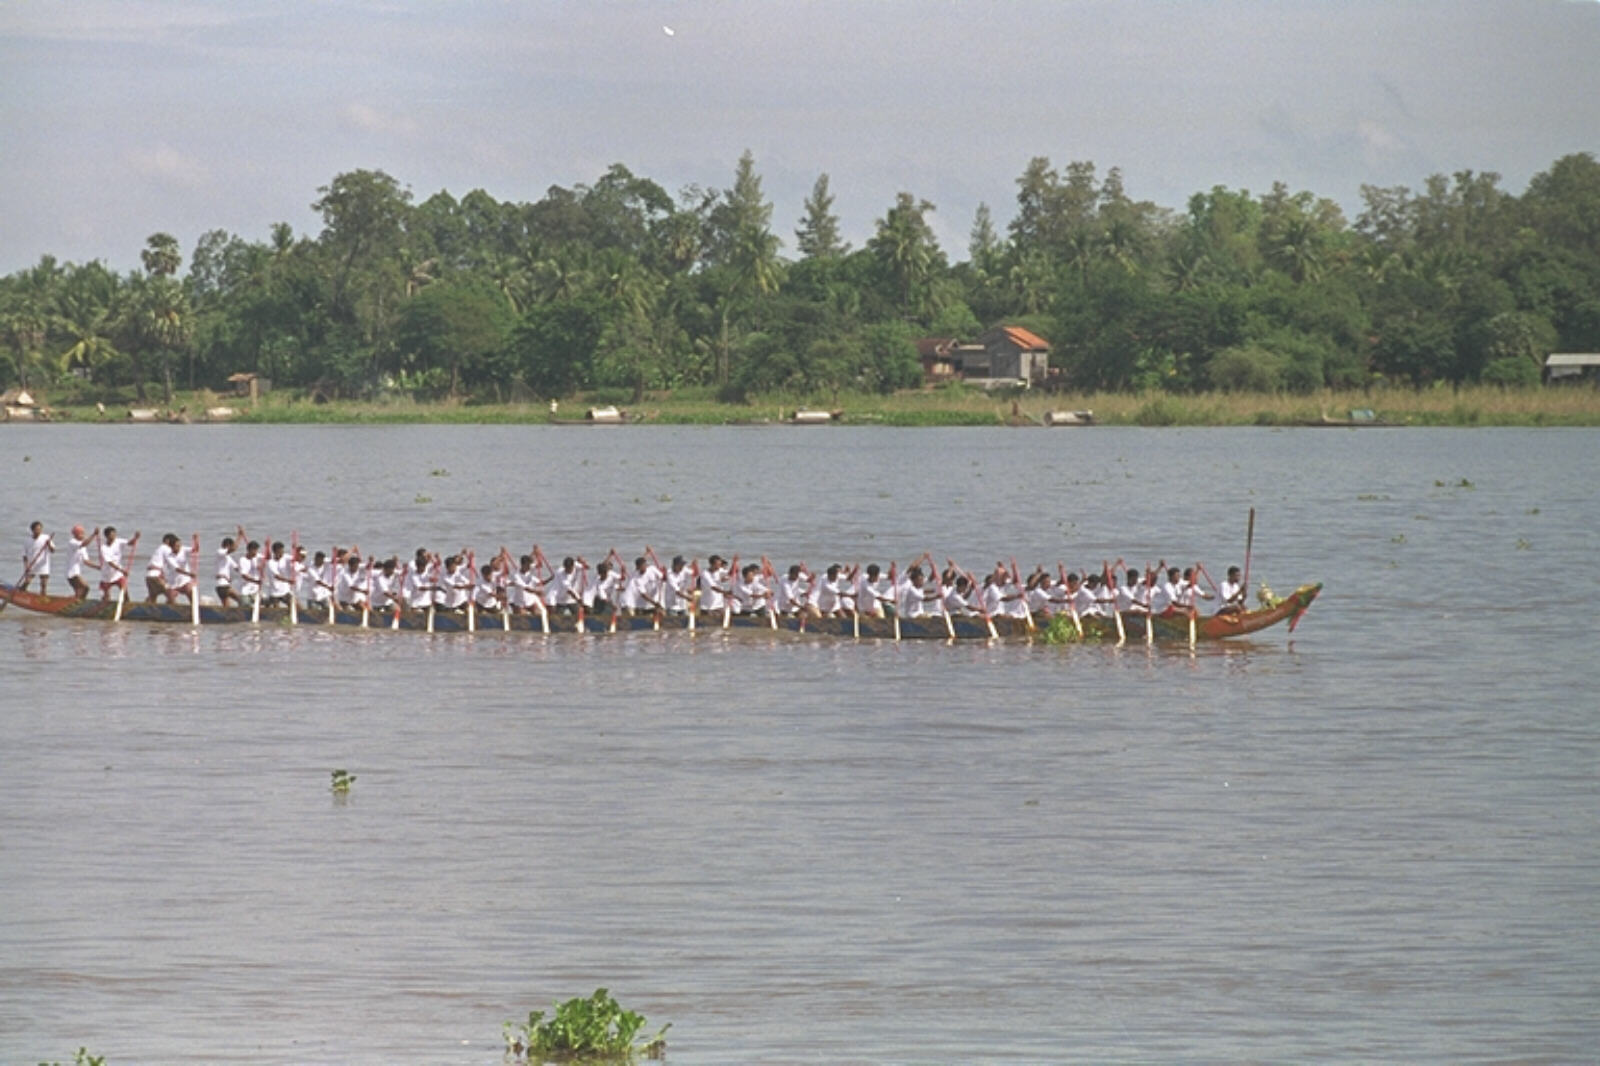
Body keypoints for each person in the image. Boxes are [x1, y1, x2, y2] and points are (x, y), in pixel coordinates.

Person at [98, 526, 140, 602]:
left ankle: (126, 604)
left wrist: (135, 538)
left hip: (117, 573)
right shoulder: (103, 548)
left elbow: (130, 543)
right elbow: (109, 562)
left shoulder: (119, 541)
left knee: (124, 590)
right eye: (112, 535)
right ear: (107, 536)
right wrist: (122, 570)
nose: (114, 536)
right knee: (106, 597)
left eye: (115, 534)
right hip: (107, 575)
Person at [65, 524, 98, 600]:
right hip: (71, 573)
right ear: (76, 535)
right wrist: (94, 535)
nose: (83, 535)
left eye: (83, 533)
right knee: (86, 587)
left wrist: (98, 567)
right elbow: (84, 544)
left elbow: (86, 561)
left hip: (77, 572)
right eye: (81, 533)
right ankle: (78, 602)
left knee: (79, 592)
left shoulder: (83, 548)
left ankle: (78, 602)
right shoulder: (72, 542)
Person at [20, 521, 54, 594]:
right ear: (32, 530)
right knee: (27, 581)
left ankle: (43, 599)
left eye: (40, 529)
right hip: (32, 564)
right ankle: (20, 593)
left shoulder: (46, 538)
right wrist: (26, 566)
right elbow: (24, 555)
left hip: (43, 564)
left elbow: (53, 550)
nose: (39, 531)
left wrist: (49, 545)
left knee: (43, 584)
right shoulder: (27, 540)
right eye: (37, 529)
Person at [214, 535, 242, 606]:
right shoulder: (219, 552)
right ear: (228, 545)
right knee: (241, 601)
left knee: (227, 607)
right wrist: (239, 537)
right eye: (231, 546)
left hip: (225, 585)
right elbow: (233, 549)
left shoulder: (228, 558)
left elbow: (238, 569)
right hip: (222, 585)